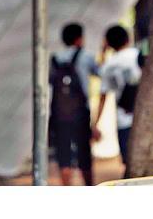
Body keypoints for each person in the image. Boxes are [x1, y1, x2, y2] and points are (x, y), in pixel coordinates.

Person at [49, 22, 99, 186]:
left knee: (64, 155)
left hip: (60, 114)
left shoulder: (55, 59)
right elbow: (99, 72)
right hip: (81, 113)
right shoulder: (86, 56)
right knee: (84, 153)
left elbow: (50, 81)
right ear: (79, 39)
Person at [94, 25, 141, 173]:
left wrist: (95, 124)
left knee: (129, 160)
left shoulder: (109, 65)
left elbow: (103, 97)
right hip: (144, 116)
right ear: (127, 38)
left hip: (123, 119)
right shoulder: (138, 55)